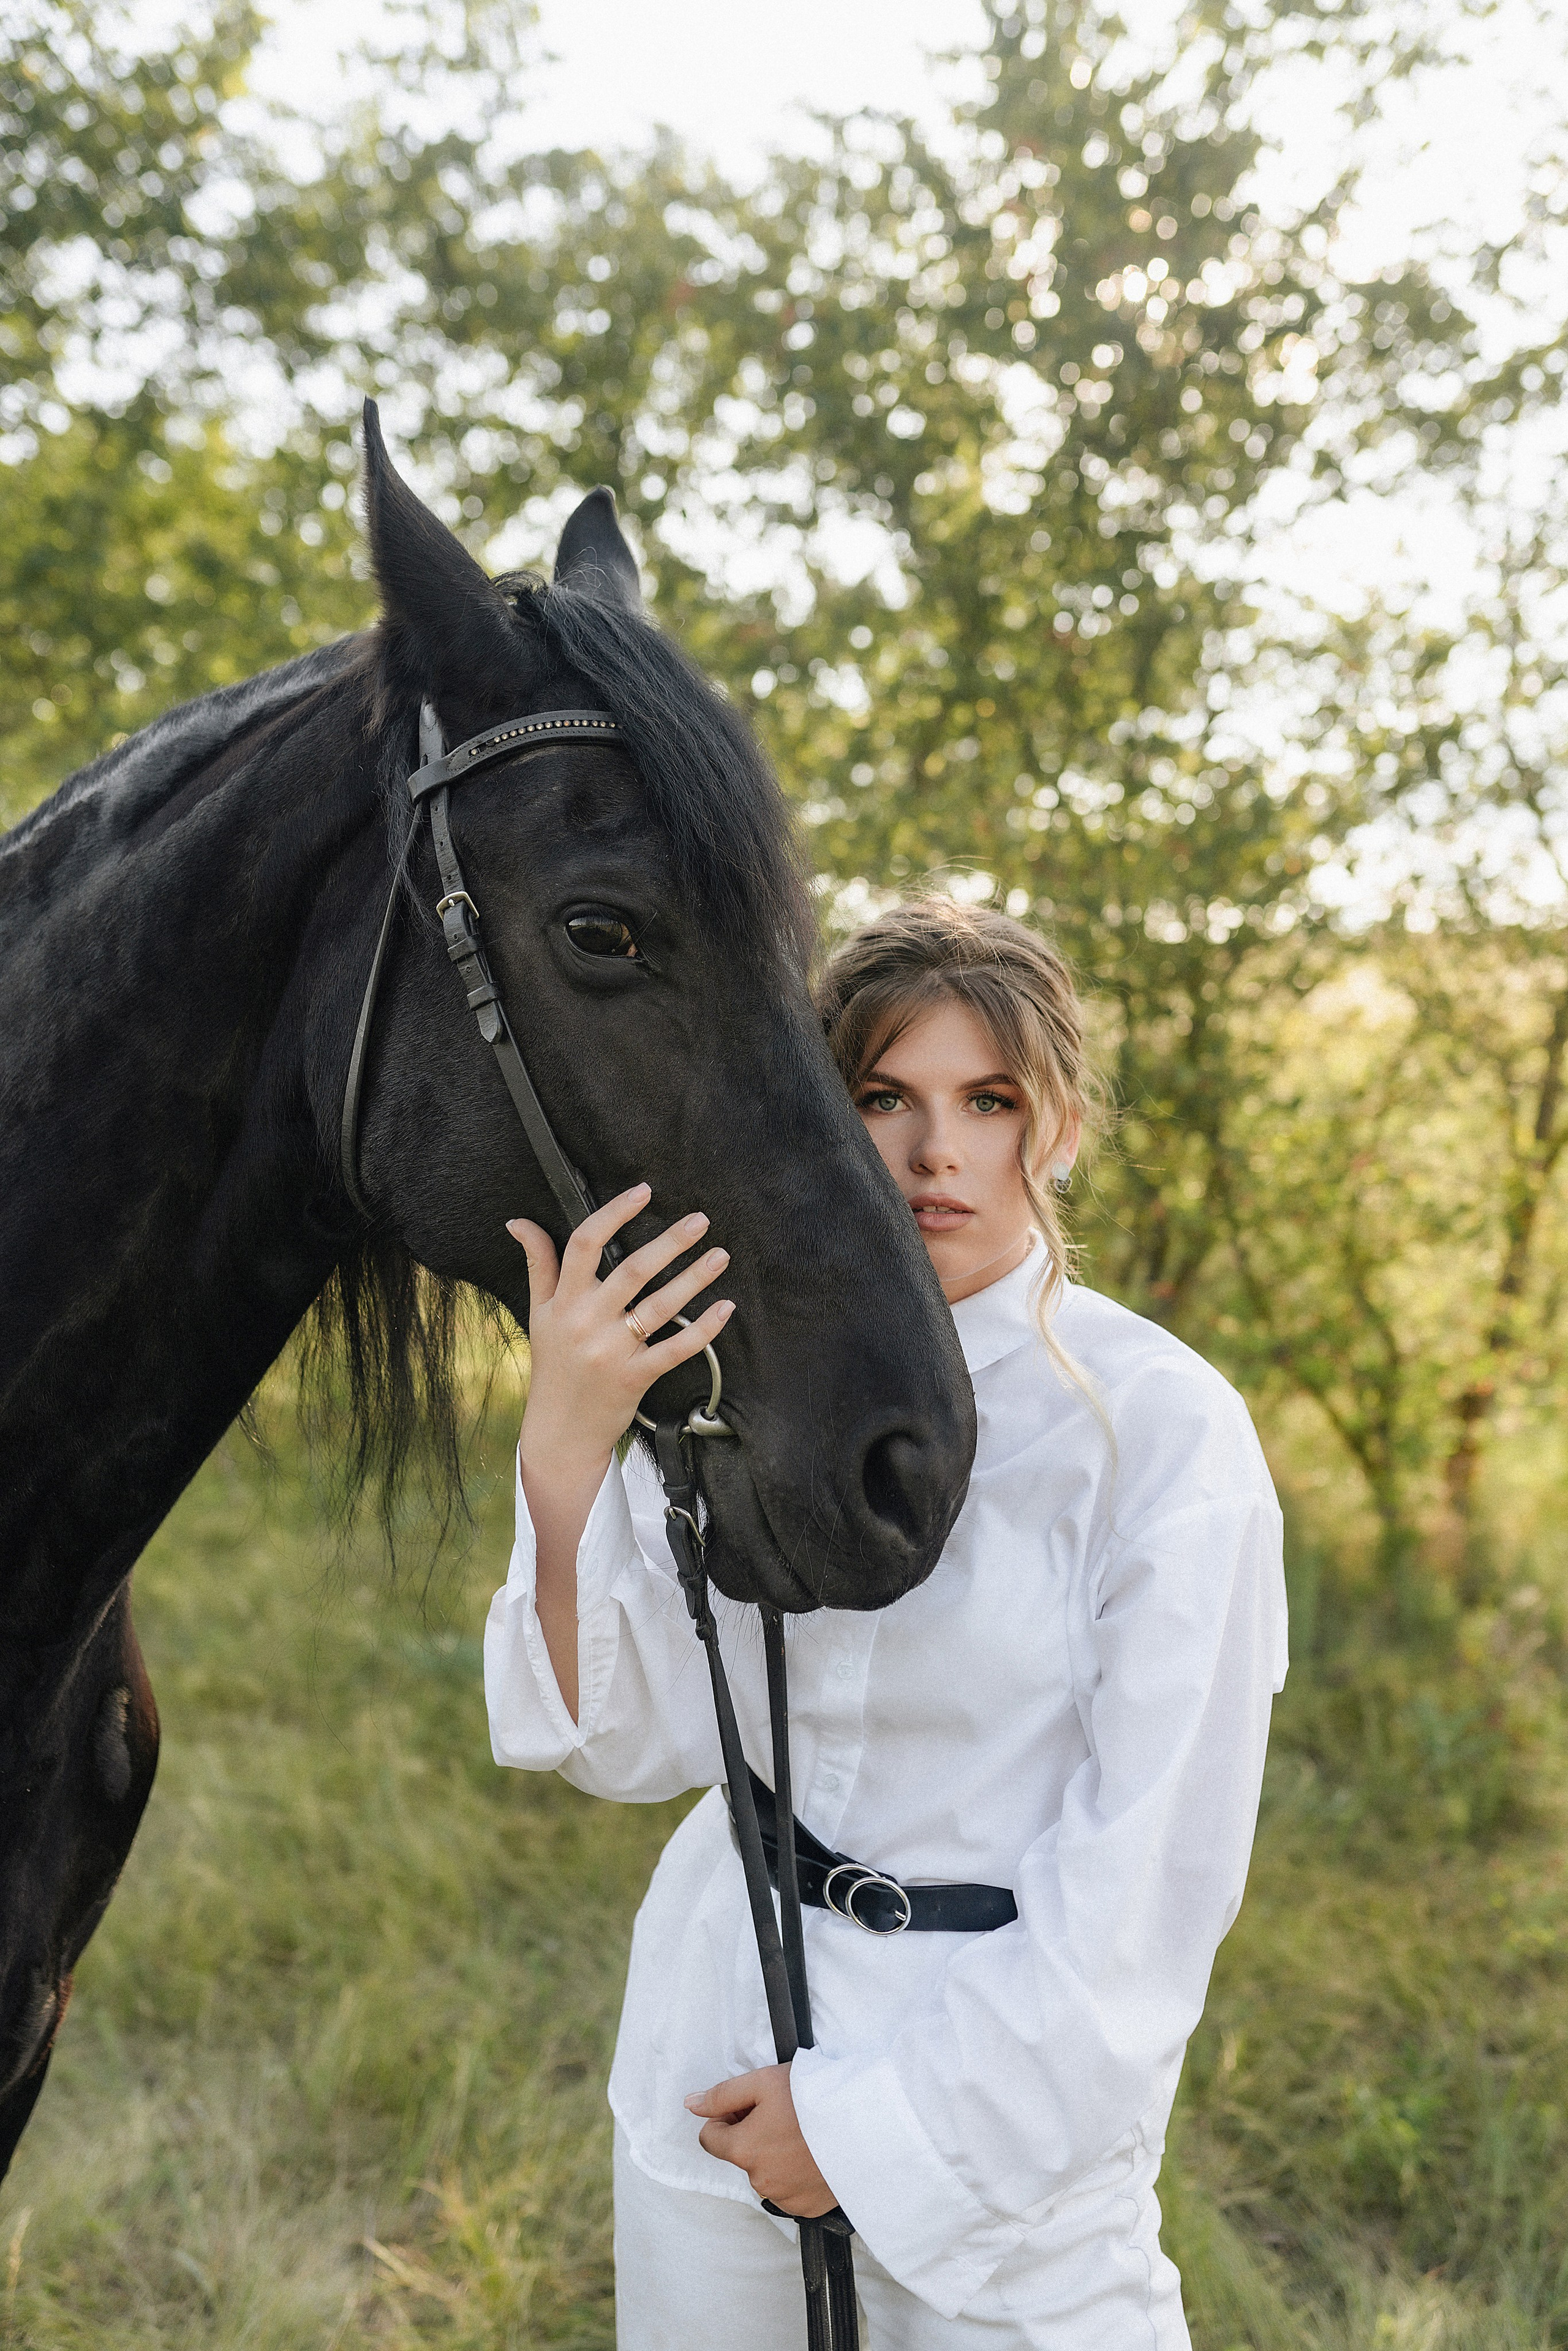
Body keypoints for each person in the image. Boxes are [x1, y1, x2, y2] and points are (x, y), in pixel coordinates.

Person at [485, 896, 1287, 2350]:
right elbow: (619, 1740)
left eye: (987, 1100)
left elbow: (1146, 1891)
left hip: (1010, 2117)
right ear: (814, 1117)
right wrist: (567, 1448)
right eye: (882, 1097)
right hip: (717, 2047)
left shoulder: (1162, 1431)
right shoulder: (732, 1384)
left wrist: (868, 2128)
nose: (936, 1154)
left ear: (1055, 1126)